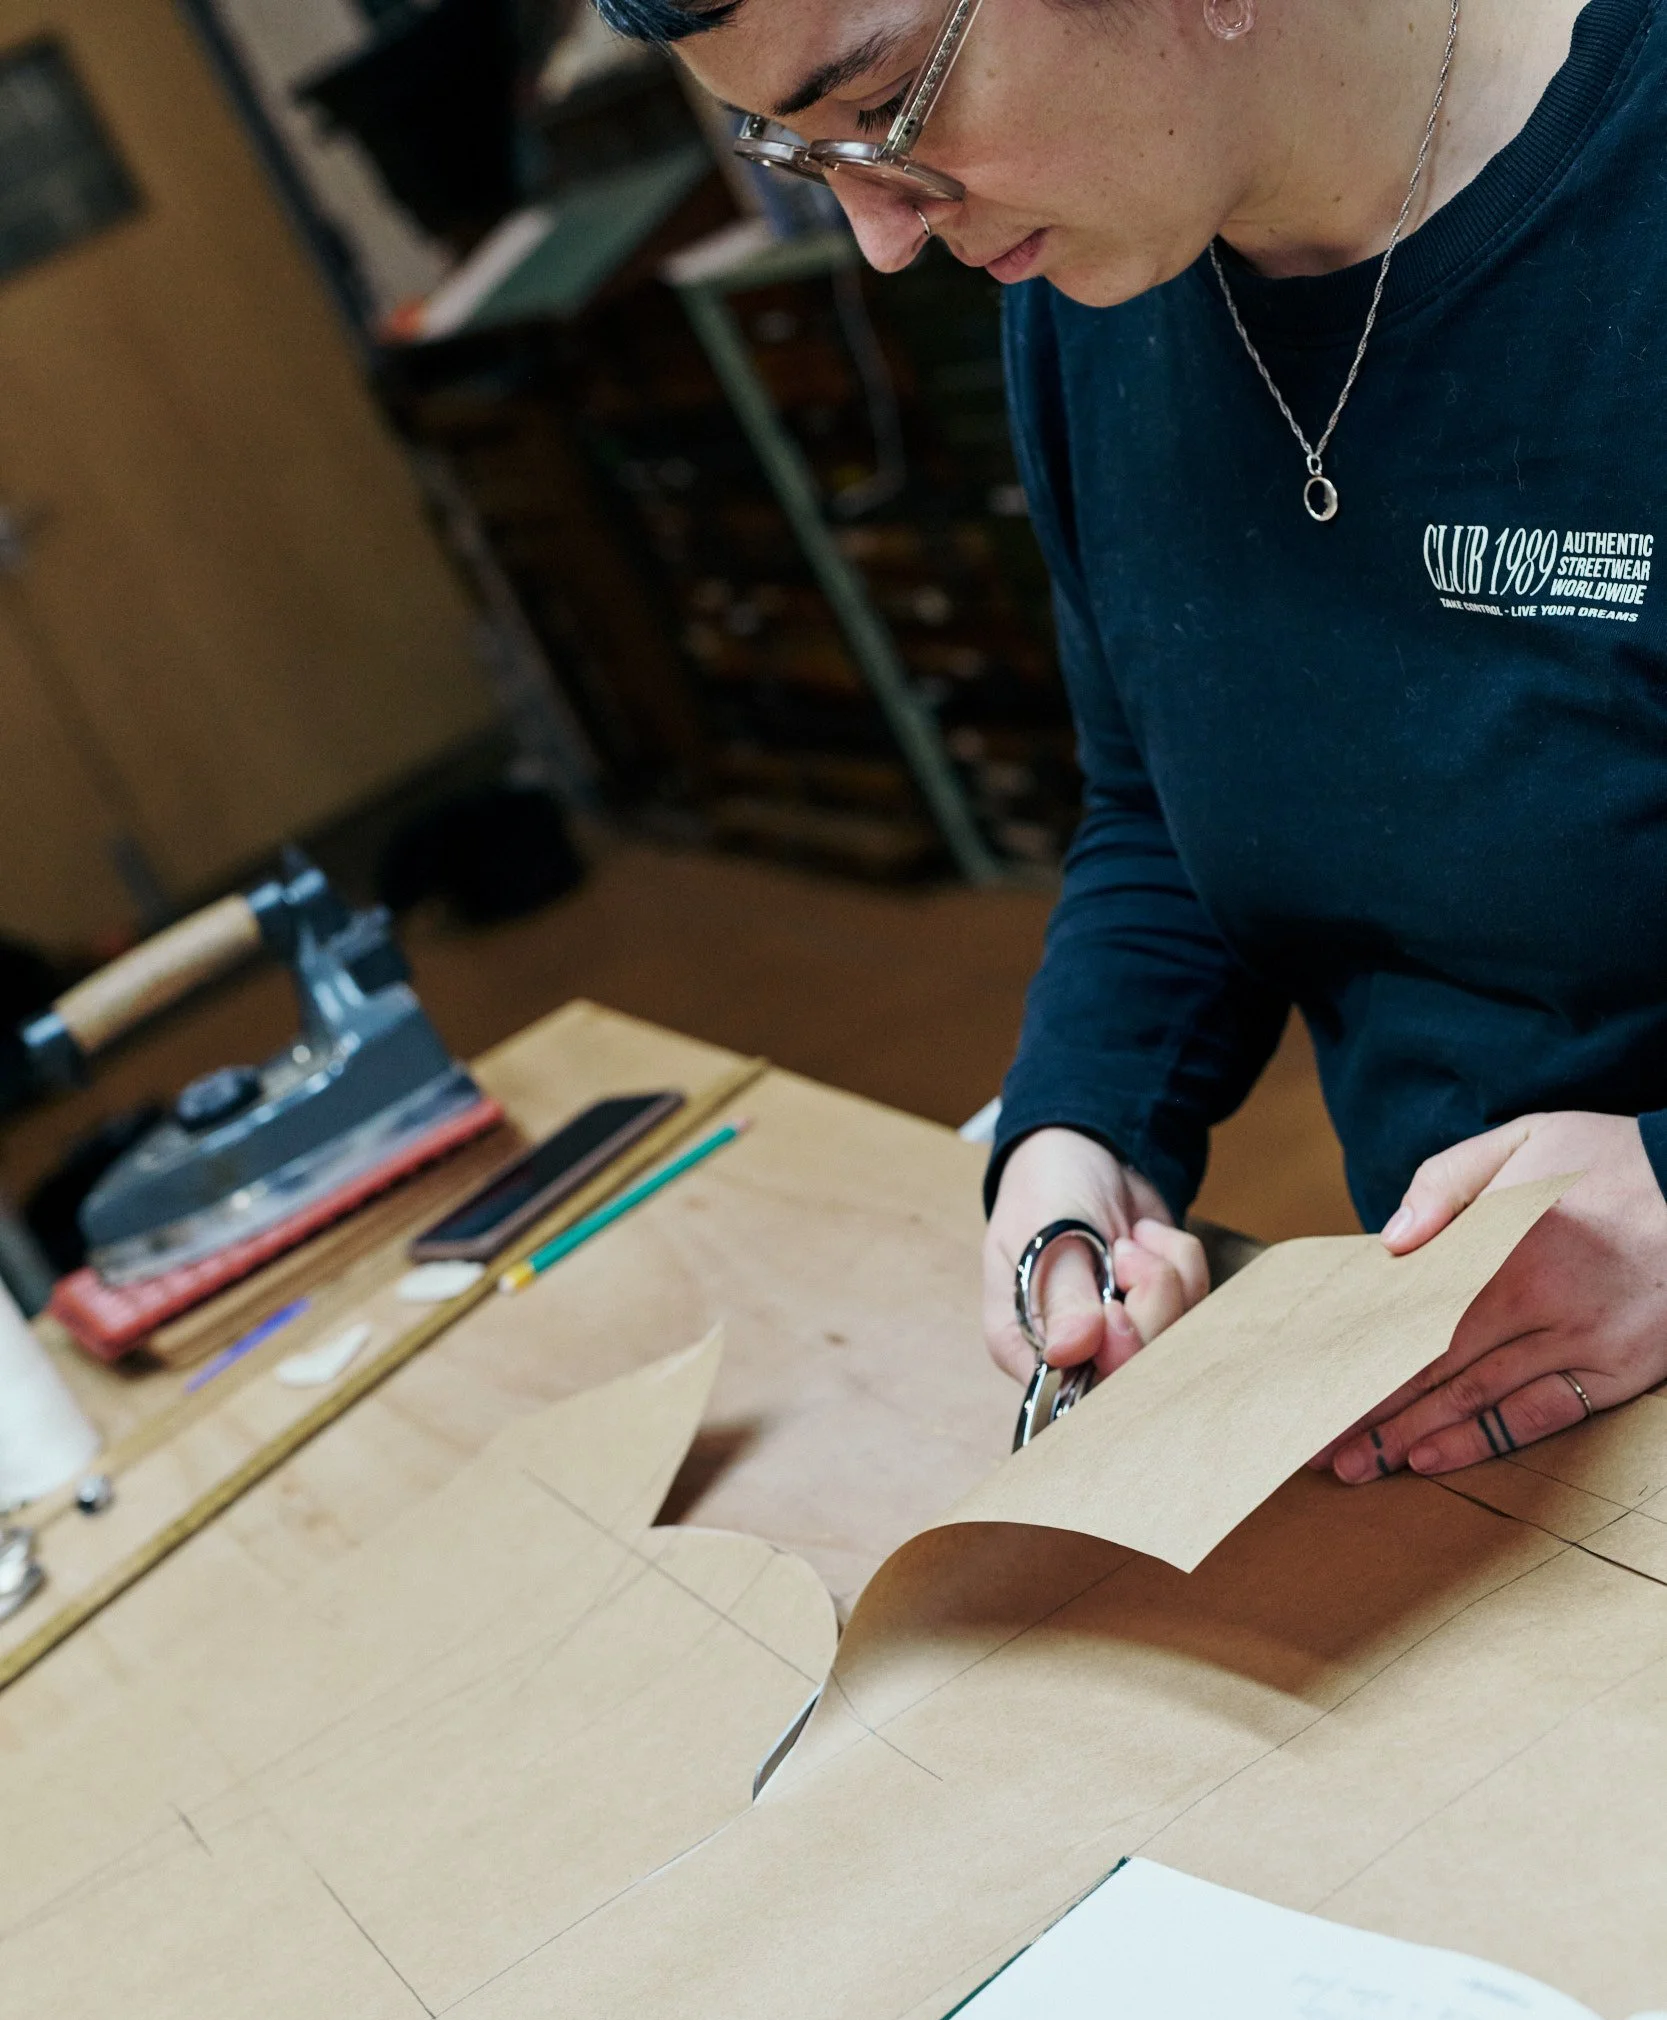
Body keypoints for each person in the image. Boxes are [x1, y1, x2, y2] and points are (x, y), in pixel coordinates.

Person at [603, 0, 1667, 1482]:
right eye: (802, 153)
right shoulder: (1094, 293)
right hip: (1496, 1398)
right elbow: (1164, 809)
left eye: (895, 110)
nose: (880, 238)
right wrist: (1083, 1127)